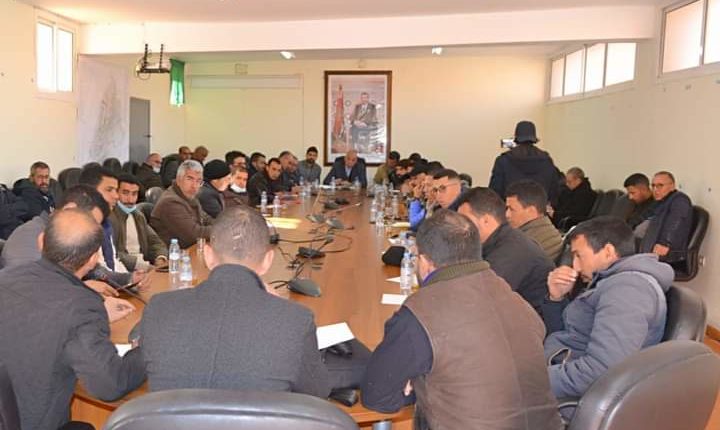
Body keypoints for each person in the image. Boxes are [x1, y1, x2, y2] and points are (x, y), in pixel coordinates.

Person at [362, 210, 562, 430]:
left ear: (424, 261)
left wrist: (417, 382)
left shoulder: (421, 311)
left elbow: (378, 397)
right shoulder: (516, 300)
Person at [140, 206, 331, 396]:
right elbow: (318, 391)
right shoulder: (295, 319)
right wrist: (278, 307)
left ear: (208, 255)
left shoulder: (159, 308)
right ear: (268, 260)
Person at [0, 209, 146, 430]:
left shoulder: (4, 277)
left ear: (41, 241)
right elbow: (110, 385)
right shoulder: (81, 306)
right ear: (93, 259)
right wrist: (144, 348)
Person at [542, 216, 671, 404]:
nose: (575, 266)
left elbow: (600, 372)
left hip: (567, 395)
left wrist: (532, 381)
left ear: (608, 252)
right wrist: (556, 298)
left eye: (579, 256)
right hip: (556, 367)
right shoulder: (609, 282)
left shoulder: (628, 290)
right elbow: (568, 334)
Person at [457, 187, 553, 314]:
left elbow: (480, 295)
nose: (460, 227)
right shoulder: (499, 240)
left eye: (465, 221)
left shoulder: (513, 249)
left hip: (532, 322)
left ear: (486, 220)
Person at [489, 120, 561, 206]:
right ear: (534, 138)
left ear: (516, 138)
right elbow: (554, 192)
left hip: (511, 211)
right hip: (538, 210)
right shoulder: (547, 161)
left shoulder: (503, 160)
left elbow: (494, 192)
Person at [109, 174, 168, 272]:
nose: (130, 199)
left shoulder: (138, 216)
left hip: (145, 268)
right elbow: (113, 253)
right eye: (125, 193)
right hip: (124, 271)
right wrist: (144, 266)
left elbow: (155, 242)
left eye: (134, 194)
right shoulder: (109, 217)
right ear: (116, 193)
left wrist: (160, 258)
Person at [151, 160, 213, 248]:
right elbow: (194, 235)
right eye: (189, 179)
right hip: (173, 253)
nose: (194, 186)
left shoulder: (188, 196)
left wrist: (223, 226)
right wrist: (222, 230)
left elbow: (206, 219)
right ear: (178, 179)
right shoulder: (170, 202)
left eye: (198, 181)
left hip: (189, 249)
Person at [638, 171, 693, 263]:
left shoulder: (680, 200)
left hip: (666, 252)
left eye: (660, 185)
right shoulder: (660, 201)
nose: (655, 189)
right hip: (647, 246)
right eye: (653, 186)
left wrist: (665, 243)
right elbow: (644, 216)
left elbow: (675, 223)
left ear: (672, 186)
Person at [506, 180, 563, 262]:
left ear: (531, 211)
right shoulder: (545, 232)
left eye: (511, 209)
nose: (507, 214)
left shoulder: (528, 242)